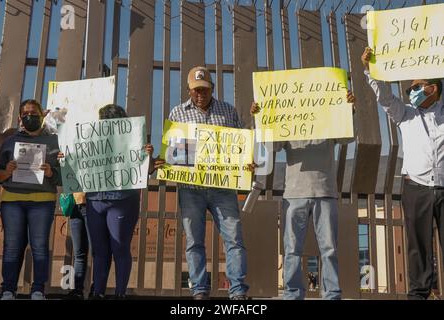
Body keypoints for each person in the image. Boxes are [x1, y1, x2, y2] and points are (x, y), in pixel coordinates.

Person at [251, 91, 355, 300]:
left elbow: (348, 137)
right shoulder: (289, 123)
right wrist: (259, 119)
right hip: (294, 194)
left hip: (325, 192)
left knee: (329, 249)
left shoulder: (329, 122)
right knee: (291, 250)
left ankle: (332, 294)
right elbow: (271, 145)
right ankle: (293, 294)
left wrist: (349, 110)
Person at [362, 47, 444, 300]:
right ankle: (418, 294)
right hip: (416, 188)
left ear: (434, 88)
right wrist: (370, 69)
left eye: (417, 87)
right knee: (417, 246)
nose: (411, 92)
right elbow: (385, 97)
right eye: (410, 89)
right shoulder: (405, 114)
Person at [167, 66, 250, 300]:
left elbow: (242, 144)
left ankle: (237, 291)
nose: (200, 94)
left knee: (234, 238)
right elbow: (172, 153)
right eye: (195, 90)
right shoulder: (177, 113)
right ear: (188, 90)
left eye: (204, 89)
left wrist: (248, 160)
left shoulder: (228, 111)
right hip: (191, 189)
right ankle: (199, 290)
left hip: (223, 187)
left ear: (212, 88)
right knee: (194, 241)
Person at [82, 104, 154, 300]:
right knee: (99, 250)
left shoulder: (134, 140)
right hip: (96, 198)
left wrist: (147, 157)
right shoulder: (90, 140)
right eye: (104, 122)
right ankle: (98, 293)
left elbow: (146, 171)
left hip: (122, 199)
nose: (108, 126)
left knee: (120, 247)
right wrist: (67, 158)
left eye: (113, 122)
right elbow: (77, 164)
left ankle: (120, 293)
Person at [0, 99, 61, 300]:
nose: (30, 116)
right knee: (12, 246)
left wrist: (50, 173)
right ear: (20, 118)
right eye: (26, 114)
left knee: (40, 246)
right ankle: (8, 289)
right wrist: (6, 172)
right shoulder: (9, 142)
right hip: (12, 200)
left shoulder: (54, 142)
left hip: (43, 201)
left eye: (34, 113)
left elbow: (63, 175)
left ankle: (38, 289)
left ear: (42, 116)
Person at [65, 192, 92, 300]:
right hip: (75, 205)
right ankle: (77, 291)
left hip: (94, 204)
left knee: (97, 252)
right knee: (79, 253)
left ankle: (97, 290)